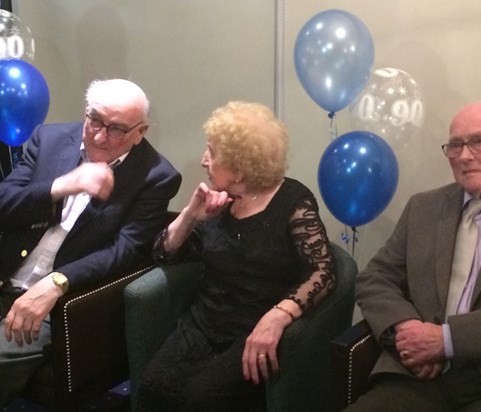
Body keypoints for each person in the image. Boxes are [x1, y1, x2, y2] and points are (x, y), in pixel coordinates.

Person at [349, 98, 481, 412]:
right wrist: (407, 332)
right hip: (417, 374)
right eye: (455, 145)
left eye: (478, 142)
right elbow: (375, 278)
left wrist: (447, 340)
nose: (464, 156)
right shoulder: (423, 208)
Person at [136, 101, 336, 412]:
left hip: (253, 330)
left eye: (212, 153)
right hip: (203, 324)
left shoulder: (292, 201)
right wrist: (190, 215)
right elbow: (163, 253)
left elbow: (323, 271)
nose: (204, 160)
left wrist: (279, 315)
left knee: (200, 400)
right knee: (153, 388)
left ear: (240, 166)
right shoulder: (218, 203)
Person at [0, 78, 181, 405]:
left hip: (59, 302)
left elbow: (124, 251)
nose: (99, 135)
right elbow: (4, 205)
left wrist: (59, 281)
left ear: (141, 132)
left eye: (116, 129)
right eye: (94, 119)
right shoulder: (49, 139)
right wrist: (61, 186)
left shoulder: (155, 176)